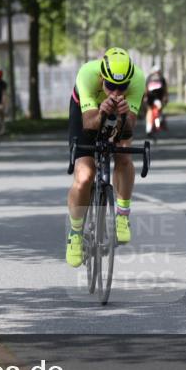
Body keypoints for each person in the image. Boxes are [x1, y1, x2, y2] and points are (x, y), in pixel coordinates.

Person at [66, 47, 146, 267]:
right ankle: (75, 234)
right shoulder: (87, 74)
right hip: (86, 114)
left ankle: (122, 214)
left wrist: (122, 115)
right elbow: (89, 126)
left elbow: (128, 131)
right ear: (102, 77)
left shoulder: (138, 79)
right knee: (85, 175)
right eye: (111, 86)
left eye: (122, 87)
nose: (116, 92)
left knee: (123, 155)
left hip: (118, 118)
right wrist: (102, 112)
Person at [145, 65, 168, 135]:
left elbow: (146, 88)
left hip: (150, 96)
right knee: (159, 109)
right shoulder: (162, 78)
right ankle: (159, 122)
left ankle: (148, 128)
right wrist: (166, 97)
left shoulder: (149, 77)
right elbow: (165, 89)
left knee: (149, 110)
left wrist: (145, 97)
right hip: (159, 96)